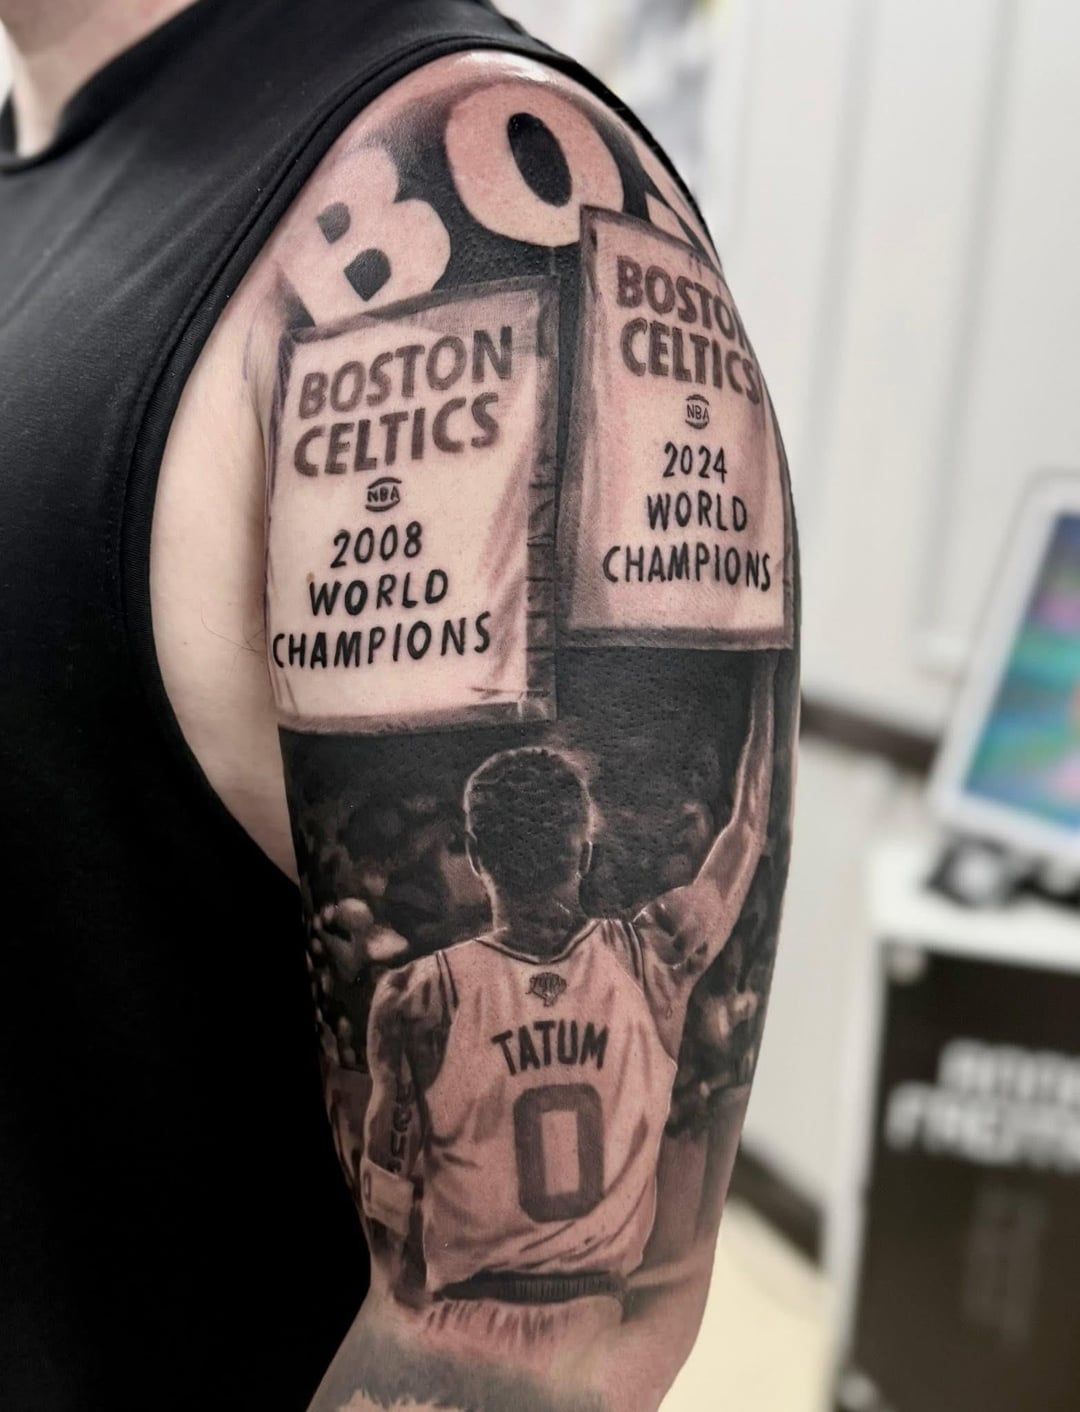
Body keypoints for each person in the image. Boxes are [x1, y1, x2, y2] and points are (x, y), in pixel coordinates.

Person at [0, 2, 799, 1410]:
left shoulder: (453, 184)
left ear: (486, 855)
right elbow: (725, 855)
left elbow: (554, 1362)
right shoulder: (37, 167)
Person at [358, 658, 773, 1360]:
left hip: (465, 1319)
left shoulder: (420, 996)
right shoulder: (653, 957)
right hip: (593, 1314)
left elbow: (386, 1192)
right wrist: (765, 695)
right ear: (584, 851)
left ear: (478, 857)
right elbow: (746, 833)